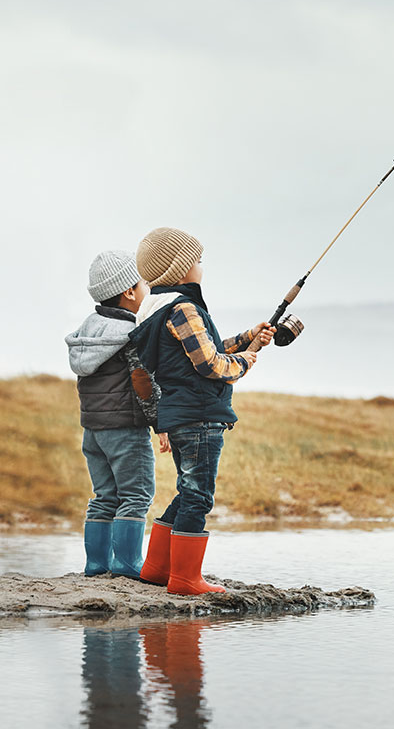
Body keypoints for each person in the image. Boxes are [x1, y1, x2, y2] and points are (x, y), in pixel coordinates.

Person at [129, 227, 275, 595]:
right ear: (180, 270)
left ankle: (156, 569)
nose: (200, 265)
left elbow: (197, 349)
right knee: (199, 496)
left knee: (187, 489)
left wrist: (246, 337)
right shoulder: (184, 307)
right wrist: (243, 362)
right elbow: (209, 363)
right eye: (196, 259)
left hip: (179, 415)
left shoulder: (160, 308)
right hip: (200, 416)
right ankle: (184, 579)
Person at [65, 250, 160, 578]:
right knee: (136, 495)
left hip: (93, 430)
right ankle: (128, 565)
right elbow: (141, 380)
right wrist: (159, 421)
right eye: (144, 282)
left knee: (104, 496)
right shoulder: (131, 332)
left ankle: (96, 565)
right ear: (129, 292)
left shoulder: (88, 331)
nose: (148, 288)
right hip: (126, 428)